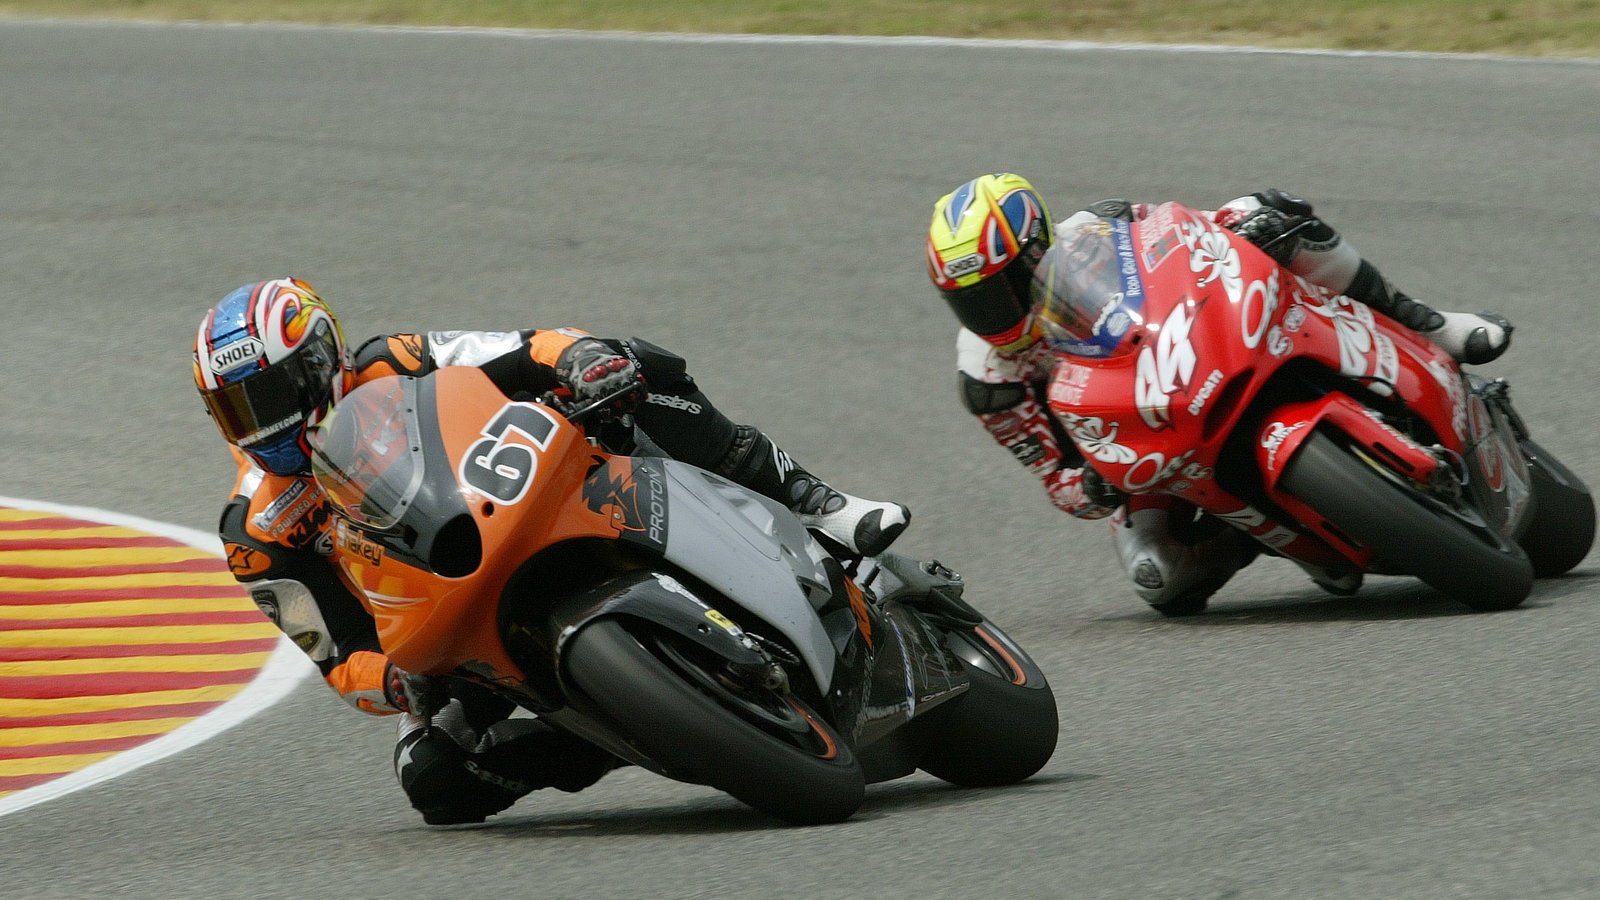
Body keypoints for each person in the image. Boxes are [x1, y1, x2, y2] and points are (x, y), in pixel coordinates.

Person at [193, 277, 910, 824]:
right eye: (241, 409)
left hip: (528, 495)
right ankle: (616, 728)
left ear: (323, 355)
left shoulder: (396, 362)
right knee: (433, 783)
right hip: (442, 624)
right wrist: (390, 683)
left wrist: (585, 360)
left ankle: (819, 503)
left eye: (276, 392)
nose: (268, 422)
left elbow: (523, 348)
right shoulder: (253, 534)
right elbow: (333, 653)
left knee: (634, 364)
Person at [924, 173, 1513, 611]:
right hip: (1143, 449)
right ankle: (1252, 538)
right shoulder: (989, 380)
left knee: (1274, 212)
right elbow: (1057, 479)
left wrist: (1244, 223)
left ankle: (1433, 325)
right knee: (1157, 578)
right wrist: (1095, 484)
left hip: (1193, 356)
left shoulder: (1100, 227)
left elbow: (1190, 233)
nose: (987, 312)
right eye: (969, 300)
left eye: (996, 289)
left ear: (1035, 249)